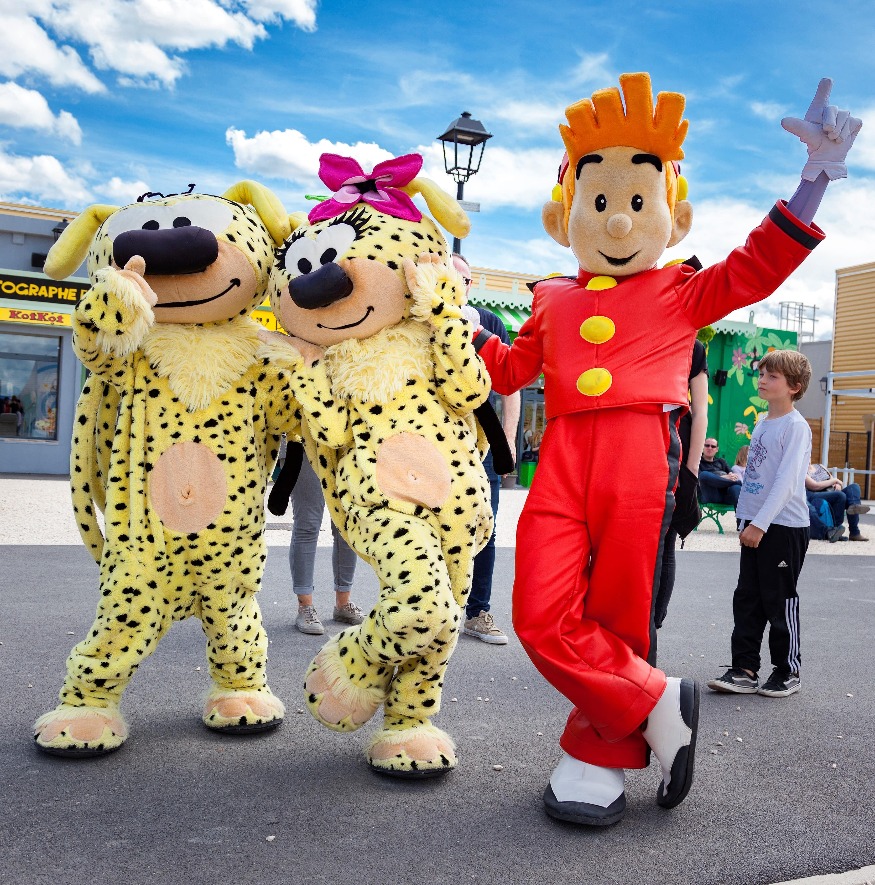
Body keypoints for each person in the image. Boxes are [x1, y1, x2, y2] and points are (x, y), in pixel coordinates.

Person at [473, 73, 857, 825]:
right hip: (562, 458)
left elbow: (756, 264)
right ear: (564, 214)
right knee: (538, 612)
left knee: (620, 610)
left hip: (638, 455)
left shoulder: (681, 289)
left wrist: (812, 178)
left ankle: (600, 756)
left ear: (670, 215)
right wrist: (450, 317)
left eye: (636, 202)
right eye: (599, 202)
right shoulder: (549, 297)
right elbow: (509, 370)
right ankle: (657, 701)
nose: (618, 222)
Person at [708, 350, 813, 699]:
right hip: (756, 523)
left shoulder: (796, 427)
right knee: (748, 597)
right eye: (762, 374)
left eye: (772, 376)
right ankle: (745, 669)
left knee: (779, 599)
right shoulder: (763, 422)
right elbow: (755, 479)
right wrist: (745, 521)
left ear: (794, 386)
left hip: (782, 526)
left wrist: (761, 524)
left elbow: (786, 482)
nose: (762, 380)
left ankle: (787, 670)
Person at [453, 252, 520, 644]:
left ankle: (477, 612)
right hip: (437, 443)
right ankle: (434, 611)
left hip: (483, 445)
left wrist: (507, 441)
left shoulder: (490, 323)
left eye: (461, 278)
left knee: (486, 527)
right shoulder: (421, 321)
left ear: (470, 284)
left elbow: (510, 385)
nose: (454, 283)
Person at [654, 339, 709, 629]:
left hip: (676, 450)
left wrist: (692, 469)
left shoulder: (692, 347)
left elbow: (700, 413)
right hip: (640, 444)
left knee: (666, 541)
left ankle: (654, 621)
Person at [289, 456, 363, 634]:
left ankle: (343, 604)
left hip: (345, 447)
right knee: (307, 525)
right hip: (303, 445)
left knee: (345, 526)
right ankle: (305, 607)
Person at [805, 463, 869, 542]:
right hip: (817, 494)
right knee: (840, 495)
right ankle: (836, 529)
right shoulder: (802, 470)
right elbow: (815, 486)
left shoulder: (820, 466)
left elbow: (832, 479)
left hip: (832, 491)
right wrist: (835, 481)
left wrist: (837, 484)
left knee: (854, 487)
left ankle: (854, 509)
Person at [698, 437, 742, 506]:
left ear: (717, 449)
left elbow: (733, 476)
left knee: (736, 488)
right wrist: (724, 477)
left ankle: (741, 513)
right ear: (702, 447)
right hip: (710, 494)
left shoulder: (721, 461)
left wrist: (728, 477)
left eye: (713, 446)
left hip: (725, 495)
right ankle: (739, 483)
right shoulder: (698, 462)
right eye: (707, 445)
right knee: (704, 475)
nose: (709, 448)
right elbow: (699, 478)